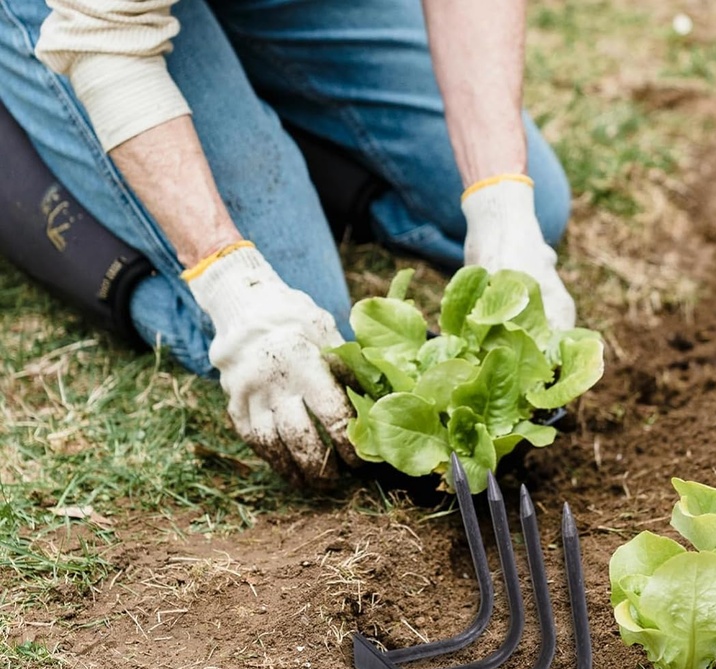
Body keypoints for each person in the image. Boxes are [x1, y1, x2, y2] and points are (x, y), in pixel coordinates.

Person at [0, 0, 576, 487]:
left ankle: (257, 104)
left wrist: (501, 206)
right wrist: (228, 280)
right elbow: (106, 38)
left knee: (536, 205)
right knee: (299, 344)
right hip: (87, 18)